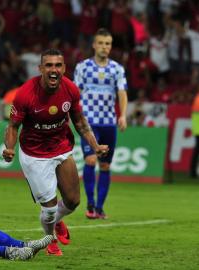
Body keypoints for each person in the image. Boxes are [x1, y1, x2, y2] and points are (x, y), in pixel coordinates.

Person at [2, 49, 109, 256]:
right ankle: (49, 239)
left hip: (61, 147)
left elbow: (80, 122)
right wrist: (9, 148)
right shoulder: (25, 94)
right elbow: (13, 126)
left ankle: (57, 223)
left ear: (64, 68)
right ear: (41, 69)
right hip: (34, 154)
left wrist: (95, 146)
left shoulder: (70, 89)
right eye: (48, 65)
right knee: (49, 210)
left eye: (58, 65)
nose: (53, 70)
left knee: (73, 201)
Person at [73, 28, 128, 219]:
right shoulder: (82, 67)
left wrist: (123, 115)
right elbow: (75, 94)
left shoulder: (117, 69)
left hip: (108, 123)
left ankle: (99, 207)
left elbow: (122, 93)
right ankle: (89, 204)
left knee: (105, 166)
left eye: (108, 44)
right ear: (94, 45)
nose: (105, 47)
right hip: (88, 122)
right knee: (90, 159)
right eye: (101, 43)